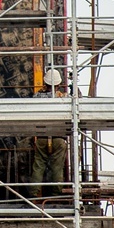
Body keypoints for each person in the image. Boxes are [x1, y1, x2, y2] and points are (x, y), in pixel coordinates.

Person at [29, 68, 68, 199]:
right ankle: (56, 195)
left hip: (42, 137)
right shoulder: (63, 98)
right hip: (58, 138)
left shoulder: (36, 97)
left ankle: (33, 195)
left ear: (45, 83)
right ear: (58, 84)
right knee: (57, 168)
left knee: (38, 166)